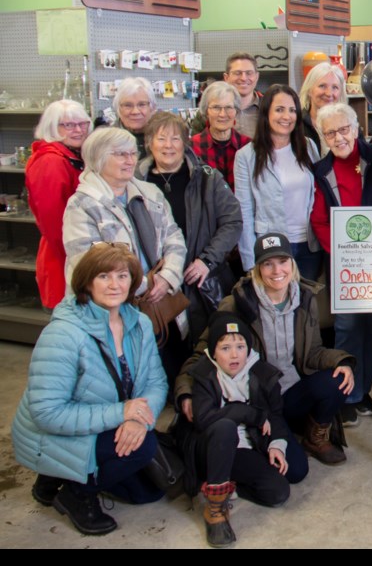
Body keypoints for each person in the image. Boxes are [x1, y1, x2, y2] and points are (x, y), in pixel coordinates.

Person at [12, 243, 167, 536]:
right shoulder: (63, 333)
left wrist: (138, 419)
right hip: (52, 433)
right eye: (104, 276)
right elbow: (47, 413)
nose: (114, 285)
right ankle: (74, 493)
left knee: (148, 493)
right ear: (86, 282)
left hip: (105, 420)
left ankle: (53, 478)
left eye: (122, 276)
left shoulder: (139, 323)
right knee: (143, 447)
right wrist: (121, 412)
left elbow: (156, 382)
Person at [176, 232, 355, 469]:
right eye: (267, 264)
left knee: (337, 379)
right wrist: (186, 392)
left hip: (291, 391)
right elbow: (202, 354)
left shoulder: (304, 298)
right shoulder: (237, 303)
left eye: (282, 262)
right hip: (257, 399)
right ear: (257, 269)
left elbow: (313, 352)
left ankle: (314, 435)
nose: (276, 270)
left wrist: (341, 361)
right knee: (296, 470)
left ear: (292, 264)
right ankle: (256, 443)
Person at [63, 126, 188, 386]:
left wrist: (167, 278)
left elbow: (174, 238)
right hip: (113, 310)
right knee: (124, 376)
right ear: (98, 158)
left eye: (132, 153)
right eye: (120, 154)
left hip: (160, 304)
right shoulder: (82, 206)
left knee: (162, 373)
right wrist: (145, 285)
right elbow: (87, 266)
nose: (130, 160)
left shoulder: (148, 193)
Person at [310, 103, 372, 424]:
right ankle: (347, 395)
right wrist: (339, 253)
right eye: (330, 133)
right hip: (345, 265)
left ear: (356, 128)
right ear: (323, 136)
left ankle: (363, 388)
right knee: (347, 327)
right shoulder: (320, 170)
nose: (338, 138)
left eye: (343, 130)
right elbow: (320, 220)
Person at [184, 312, 296, 547]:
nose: (234, 354)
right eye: (225, 348)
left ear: (249, 349)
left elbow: (275, 415)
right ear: (213, 351)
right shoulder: (204, 374)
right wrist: (249, 414)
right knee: (224, 426)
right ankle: (215, 508)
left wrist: (277, 445)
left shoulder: (263, 374)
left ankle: (230, 484)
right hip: (213, 448)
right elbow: (204, 419)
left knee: (278, 493)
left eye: (240, 346)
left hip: (246, 447)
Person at [137, 112, 243, 346]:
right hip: (153, 288)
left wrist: (207, 260)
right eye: (161, 139)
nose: (168, 146)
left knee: (201, 350)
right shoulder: (135, 181)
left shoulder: (207, 178)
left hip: (200, 283)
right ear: (149, 143)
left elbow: (233, 221)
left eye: (175, 139)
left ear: (185, 143)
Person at [234, 84, 322, 280]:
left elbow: (319, 192)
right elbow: (244, 211)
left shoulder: (307, 147)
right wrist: (250, 262)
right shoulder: (246, 156)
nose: (287, 116)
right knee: (275, 307)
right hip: (271, 249)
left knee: (306, 306)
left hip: (309, 246)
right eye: (279, 109)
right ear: (266, 113)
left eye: (292, 110)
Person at [25, 99, 91, 310]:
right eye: (69, 125)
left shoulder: (72, 155)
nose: (78, 130)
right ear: (52, 127)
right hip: (64, 261)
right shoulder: (51, 161)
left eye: (83, 123)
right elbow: (54, 224)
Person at [191, 80, 251, 191]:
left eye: (228, 107)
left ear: (236, 111)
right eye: (216, 107)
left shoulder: (248, 146)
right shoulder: (192, 147)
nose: (222, 114)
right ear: (206, 111)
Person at [299, 62, 347, 157]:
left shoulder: (349, 123)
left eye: (335, 87)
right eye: (322, 86)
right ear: (309, 90)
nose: (329, 93)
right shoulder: (296, 124)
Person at [113, 77, 157, 156]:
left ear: (152, 108)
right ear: (118, 109)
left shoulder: (165, 140)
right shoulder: (105, 141)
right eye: (128, 105)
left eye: (142, 105)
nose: (135, 112)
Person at [223, 52, 262, 139]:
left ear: (257, 76)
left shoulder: (270, 107)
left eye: (249, 73)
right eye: (237, 73)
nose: (243, 78)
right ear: (226, 77)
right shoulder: (212, 110)